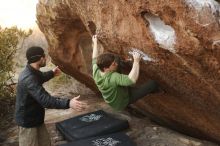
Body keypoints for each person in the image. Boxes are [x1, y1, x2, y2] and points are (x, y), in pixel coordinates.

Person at [15, 46, 87, 146]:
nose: (46, 58)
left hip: (36, 119)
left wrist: (52, 73)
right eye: (44, 56)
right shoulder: (28, 78)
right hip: (27, 123)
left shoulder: (32, 71)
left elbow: (40, 77)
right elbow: (46, 100)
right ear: (40, 58)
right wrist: (69, 103)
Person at [92, 35, 158, 111]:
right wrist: (136, 61)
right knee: (153, 84)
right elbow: (131, 80)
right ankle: (155, 90)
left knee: (116, 58)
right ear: (106, 68)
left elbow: (94, 58)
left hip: (113, 96)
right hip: (122, 102)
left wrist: (95, 42)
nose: (116, 64)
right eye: (113, 64)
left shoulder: (96, 69)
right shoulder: (113, 77)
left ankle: (123, 82)